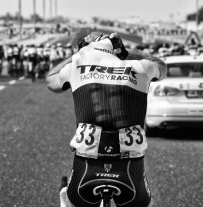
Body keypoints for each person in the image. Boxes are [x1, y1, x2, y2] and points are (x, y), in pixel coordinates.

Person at [46, 32, 167, 207]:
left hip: (87, 159)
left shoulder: (77, 63)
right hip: (130, 161)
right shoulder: (141, 66)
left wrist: (77, 55)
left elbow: (50, 80)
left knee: (73, 201)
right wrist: (127, 51)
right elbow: (161, 66)